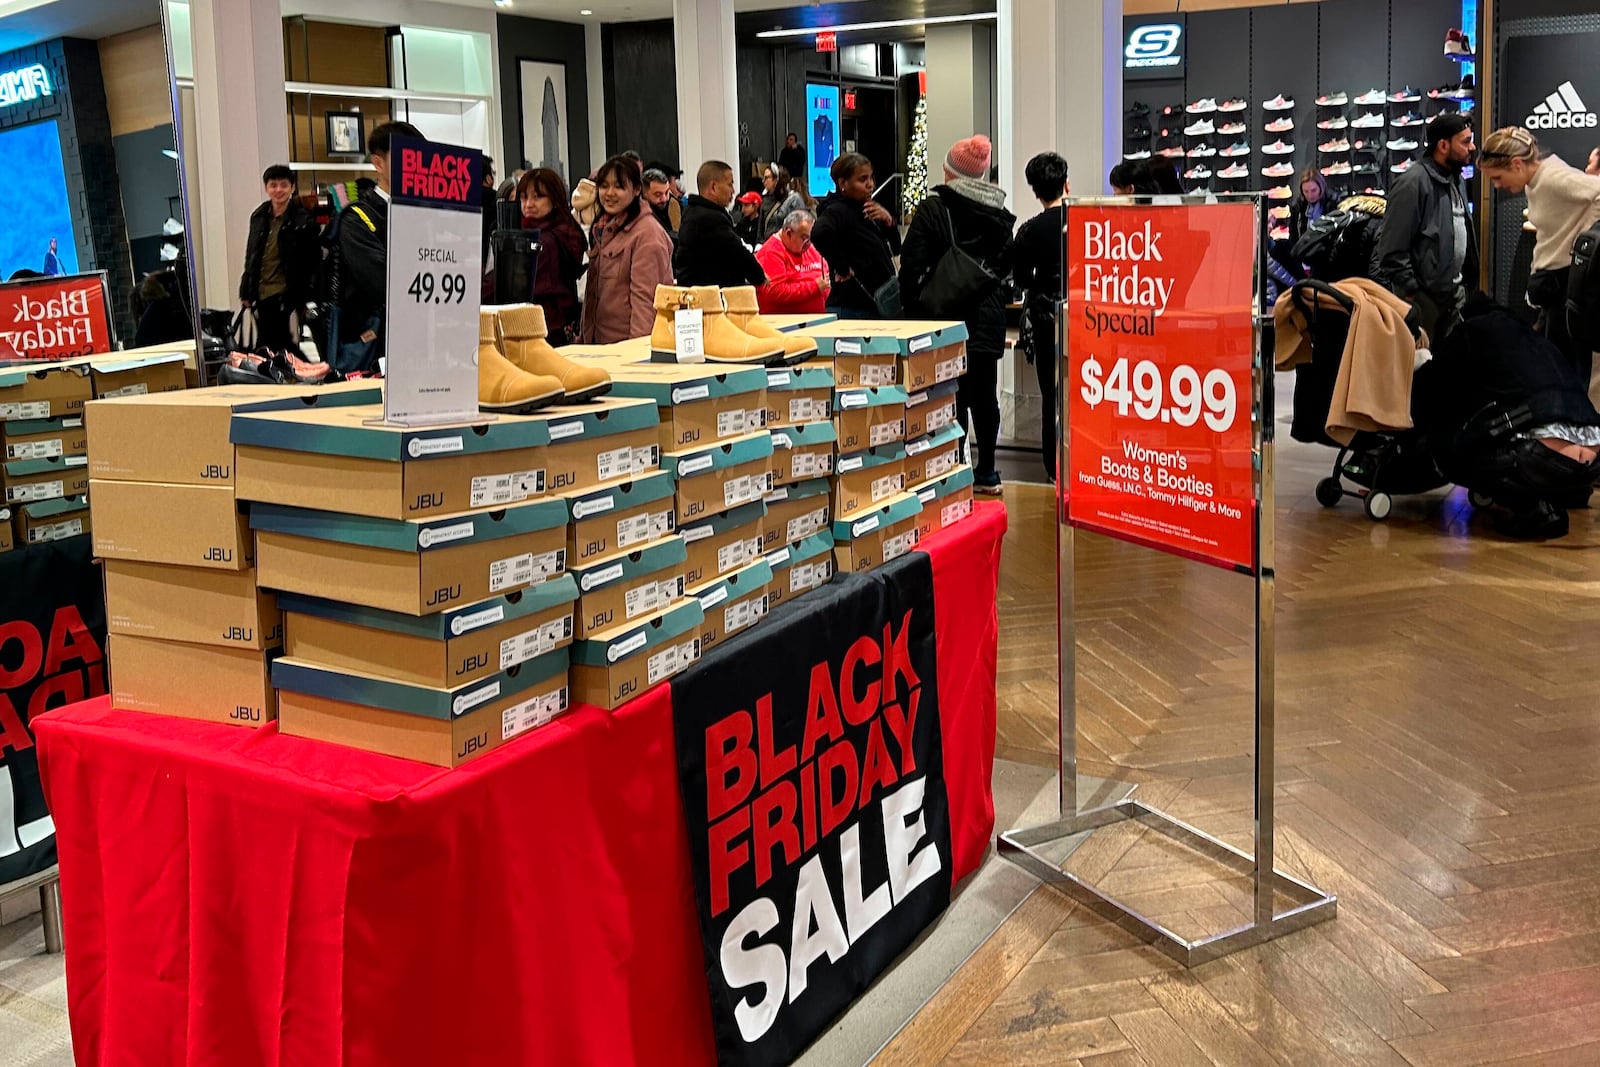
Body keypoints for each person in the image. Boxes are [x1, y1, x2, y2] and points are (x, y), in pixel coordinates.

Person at [900, 135, 1015, 496]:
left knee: (950, 396)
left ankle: (954, 467)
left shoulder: (935, 209)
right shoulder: (999, 214)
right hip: (988, 314)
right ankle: (988, 471)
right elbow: (1006, 265)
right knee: (985, 396)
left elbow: (911, 265)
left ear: (951, 172)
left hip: (945, 316)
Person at [1479, 125, 1600, 380]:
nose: (1497, 186)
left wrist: (1588, 237)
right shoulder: (1535, 182)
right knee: (1553, 370)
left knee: (1566, 374)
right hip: (1553, 288)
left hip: (1566, 287)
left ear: (1516, 164)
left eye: (1497, 178)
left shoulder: (1551, 178)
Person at [326, 120, 422, 373]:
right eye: (406, 157)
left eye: (419, 157)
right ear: (379, 163)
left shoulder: (427, 214)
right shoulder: (357, 218)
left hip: (422, 344)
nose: (415, 165)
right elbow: (384, 281)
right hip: (376, 351)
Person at [1373, 112, 1478, 342]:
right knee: (1420, 371)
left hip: (1452, 295)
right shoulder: (1413, 183)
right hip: (1424, 300)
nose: (1472, 147)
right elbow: (1391, 249)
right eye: (1465, 141)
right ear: (1443, 145)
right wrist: (1412, 291)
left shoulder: (1456, 179)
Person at [1012, 151, 1068, 481]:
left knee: (1051, 394)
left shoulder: (1030, 230)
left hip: (1046, 319)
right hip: (1088, 319)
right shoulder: (1086, 222)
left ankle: (1053, 466)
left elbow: (1020, 279)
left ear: (1034, 190)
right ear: (1066, 182)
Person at [579, 154, 674, 344]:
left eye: (619, 186)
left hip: (626, 351)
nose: (609, 193)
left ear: (637, 189)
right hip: (600, 348)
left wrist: (638, 357)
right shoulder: (604, 229)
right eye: (604, 186)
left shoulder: (647, 235)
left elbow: (646, 303)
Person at [811, 152, 900, 319]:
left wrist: (888, 221)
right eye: (862, 179)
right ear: (843, 183)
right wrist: (842, 267)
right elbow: (819, 233)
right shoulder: (837, 210)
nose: (870, 184)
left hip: (877, 303)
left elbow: (895, 248)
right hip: (852, 306)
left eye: (871, 178)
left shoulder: (868, 209)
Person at [240, 164, 319, 351]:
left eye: (284, 185)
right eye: (273, 185)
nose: (278, 190)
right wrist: (246, 288)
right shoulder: (258, 216)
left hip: (285, 293)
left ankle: (302, 372)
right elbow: (251, 254)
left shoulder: (303, 220)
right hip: (260, 292)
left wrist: (306, 295)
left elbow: (312, 261)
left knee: (274, 343)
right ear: (266, 188)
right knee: (275, 344)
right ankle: (301, 372)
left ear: (292, 188)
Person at [514, 167, 587, 344]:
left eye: (537, 197)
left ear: (554, 199)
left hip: (545, 330)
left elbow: (523, 285)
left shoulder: (545, 240)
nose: (528, 204)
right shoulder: (565, 230)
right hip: (557, 328)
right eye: (524, 197)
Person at [674, 159, 767, 288]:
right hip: (711, 301)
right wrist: (760, 278)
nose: (733, 191)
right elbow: (738, 254)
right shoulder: (710, 218)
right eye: (730, 184)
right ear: (713, 187)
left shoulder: (692, 212)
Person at [755, 209, 829, 314]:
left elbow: (825, 277)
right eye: (804, 238)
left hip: (817, 318)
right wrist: (814, 286)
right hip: (785, 323)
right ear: (789, 233)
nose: (808, 243)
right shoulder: (771, 252)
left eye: (810, 238)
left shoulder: (810, 249)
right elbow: (774, 291)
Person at [760, 162, 805, 240]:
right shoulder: (765, 200)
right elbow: (760, 229)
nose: (763, 181)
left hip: (785, 247)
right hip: (768, 246)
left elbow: (798, 228)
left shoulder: (793, 199)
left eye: (767, 178)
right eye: (763, 178)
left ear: (776, 179)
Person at [642, 167, 680, 238]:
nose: (664, 199)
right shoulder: (639, 217)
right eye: (658, 195)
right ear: (644, 193)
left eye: (666, 193)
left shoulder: (672, 204)